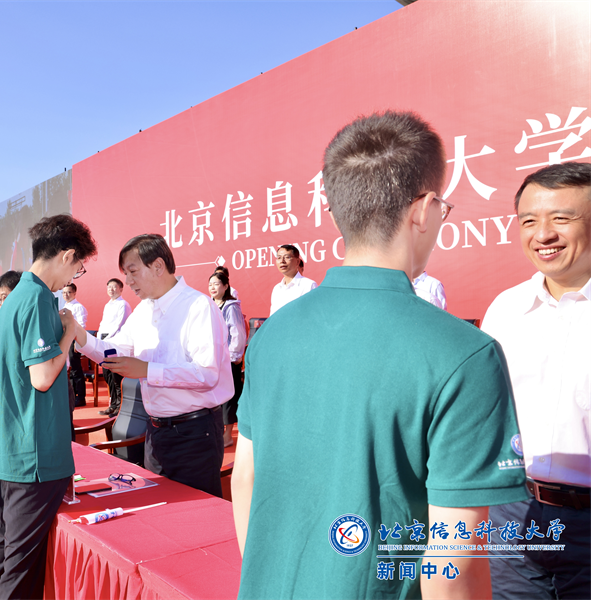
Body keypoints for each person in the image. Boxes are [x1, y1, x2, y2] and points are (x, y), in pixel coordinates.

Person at [232, 111, 529, 599]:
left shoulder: (271, 334)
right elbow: (453, 566)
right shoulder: (465, 354)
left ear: (336, 213)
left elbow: (245, 480)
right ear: (426, 210)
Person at [481, 161, 591, 599]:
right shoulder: (505, 309)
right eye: (529, 221)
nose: (543, 234)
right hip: (513, 513)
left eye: (561, 218)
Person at [0, 214, 97, 600]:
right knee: (20, 568)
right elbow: (43, 377)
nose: (75, 276)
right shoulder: (37, 298)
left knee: (0, 553)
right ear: (66, 256)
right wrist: (70, 333)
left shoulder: (18, 295)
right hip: (32, 458)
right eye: (78, 267)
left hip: (10, 449)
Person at [74, 234, 232, 497]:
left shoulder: (198, 306)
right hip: (155, 431)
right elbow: (114, 351)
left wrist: (147, 370)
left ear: (158, 266)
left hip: (194, 432)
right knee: (159, 506)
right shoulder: (143, 311)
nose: (128, 281)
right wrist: (79, 336)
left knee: (195, 509)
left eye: (133, 271)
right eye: (126, 274)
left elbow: (207, 374)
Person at [208, 271, 246, 448]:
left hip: (228, 360)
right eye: (210, 284)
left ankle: (228, 435)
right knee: (215, 397)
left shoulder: (231, 306)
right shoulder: (209, 305)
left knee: (229, 398)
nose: (212, 287)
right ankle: (218, 431)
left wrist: (234, 356)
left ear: (225, 286)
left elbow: (237, 332)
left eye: (216, 284)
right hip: (213, 360)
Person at [96, 278, 132, 416]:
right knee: (108, 376)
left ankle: (120, 407)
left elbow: (119, 325)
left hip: (116, 344)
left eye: (114, 287)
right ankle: (113, 405)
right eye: (109, 287)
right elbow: (103, 323)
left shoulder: (123, 304)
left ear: (121, 289)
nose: (111, 289)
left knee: (116, 377)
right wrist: (99, 339)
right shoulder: (107, 305)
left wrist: (107, 340)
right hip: (105, 344)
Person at [269, 244, 318, 316]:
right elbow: (272, 316)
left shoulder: (309, 285)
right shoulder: (277, 288)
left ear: (297, 262)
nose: (282, 261)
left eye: (287, 257)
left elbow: (314, 314)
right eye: (279, 258)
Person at [62, 282, 88, 407]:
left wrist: (77, 343)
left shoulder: (78, 307)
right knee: (70, 369)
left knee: (76, 369)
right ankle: (73, 396)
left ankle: (81, 397)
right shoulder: (64, 306)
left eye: (69, 292)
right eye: (64, 292)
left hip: (74, 340)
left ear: (74, 293)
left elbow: (81, 325)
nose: (66, 295)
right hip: (66, 339)